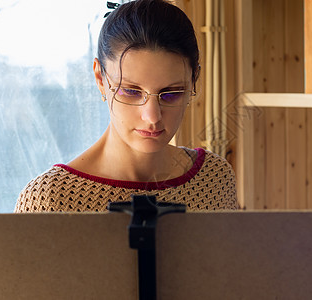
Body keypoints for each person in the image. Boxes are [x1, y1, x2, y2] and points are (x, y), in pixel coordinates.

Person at [15, 0, 238, 212]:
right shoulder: (49, 200)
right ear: (100, 79)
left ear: (194, 80)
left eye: (171, 94)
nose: (152, 116)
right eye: (130, 91)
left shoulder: (214, 179)